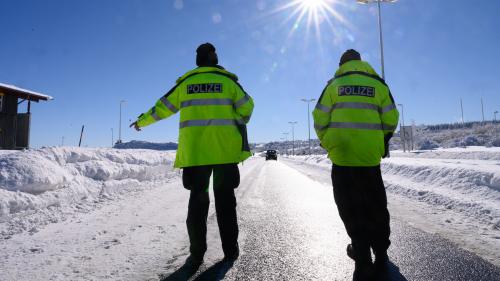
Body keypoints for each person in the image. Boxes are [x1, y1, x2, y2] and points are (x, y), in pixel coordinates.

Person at [130, 43, 254, 266]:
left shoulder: (186, 84)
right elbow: (247, 107)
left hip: (196, 156)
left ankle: (197, 254)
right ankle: (230, 251)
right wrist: (236, 118)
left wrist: (142, 121)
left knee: (197, 204)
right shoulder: (228, 82)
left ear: (197, 61)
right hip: (225, 154)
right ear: (214, 58)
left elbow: (162, 107)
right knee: (226, 203)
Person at [312, 49, 399, 280]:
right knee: (376, 205)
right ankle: (380, 253)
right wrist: (380, 141)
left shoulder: (334, 86)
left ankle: (362, 258)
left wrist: (329, 143)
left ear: (341, 64)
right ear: (360, 63)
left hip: (342, 158)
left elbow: (319, 118)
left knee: (350, 208)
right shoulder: (378, 85)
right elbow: (391, 118)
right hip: (370, 158)